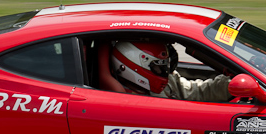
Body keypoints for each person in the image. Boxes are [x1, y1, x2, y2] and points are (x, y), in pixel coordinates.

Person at [98, 40, 232, 102]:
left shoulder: (169, 84)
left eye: (165, 67)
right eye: (157, 68)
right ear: (130, 65)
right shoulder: (120, 98)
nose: (164, 74)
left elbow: (199, 92)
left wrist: (230, 84)